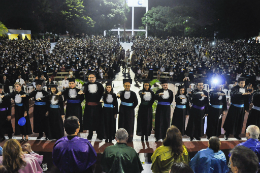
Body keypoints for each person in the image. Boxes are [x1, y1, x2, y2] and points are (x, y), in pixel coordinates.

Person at [81, 72, 104, 140]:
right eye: (90, 77)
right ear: (88, 78)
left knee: (98, 120)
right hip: (89, 106)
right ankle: (90, 134)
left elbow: (103, 94)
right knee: (89, 121)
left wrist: (102, 98)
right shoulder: (85, 85)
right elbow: (82, 91)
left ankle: (99, 134)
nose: (91, 79)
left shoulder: (100, 85)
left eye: (92, 77)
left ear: (95, 78)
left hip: (97, 106)